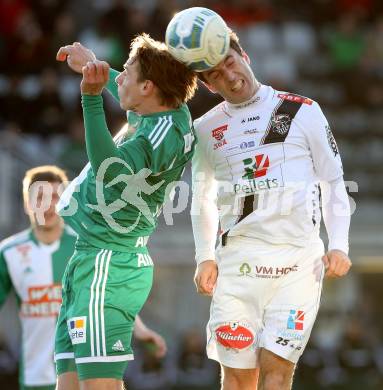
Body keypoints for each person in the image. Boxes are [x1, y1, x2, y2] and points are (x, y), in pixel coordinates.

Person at [191, 29, 352, 390]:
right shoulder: (205, 128)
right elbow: (201, 197)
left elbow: (333, 181)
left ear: (243, 55)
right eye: (215, 75)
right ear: (208, 86)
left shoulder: (303, 110)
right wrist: (204, 256)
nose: (229, 76)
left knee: (277, 372)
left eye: (229, 62)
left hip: (297, 263)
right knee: (237, 377)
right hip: (237, 264)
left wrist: (339, 244)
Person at [54, 34, 198, 389]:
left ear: (148, 86)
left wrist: (90, 98)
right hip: (91, 258)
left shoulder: (159, 135)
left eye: (126, 73)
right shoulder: (163, 108)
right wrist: (95, 64)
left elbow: (109, 170)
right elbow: (134, 88)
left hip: (108, 263)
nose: (118, 79)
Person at [0, 165, 167, 390]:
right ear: (26, 202)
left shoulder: (88, 244)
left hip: (85, 371)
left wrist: (141, 330)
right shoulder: (9, 252)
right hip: (35, 377)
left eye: (56, 196)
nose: (48, 205)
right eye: (40, 196)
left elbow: (106, 296)